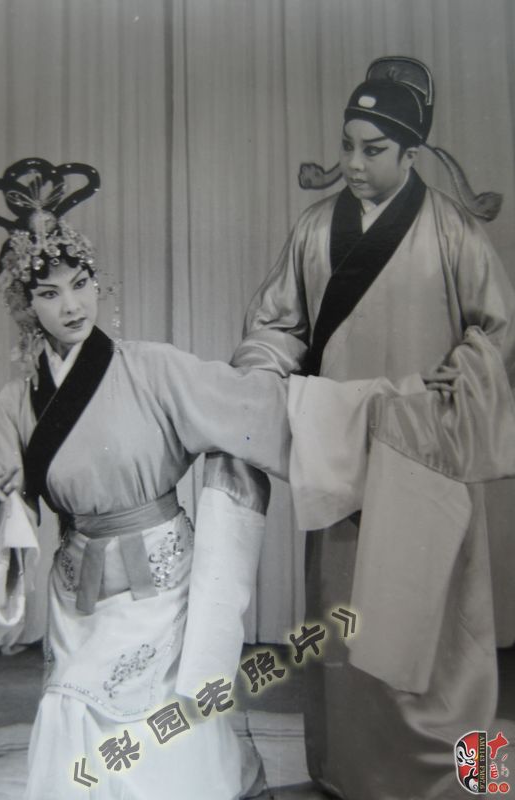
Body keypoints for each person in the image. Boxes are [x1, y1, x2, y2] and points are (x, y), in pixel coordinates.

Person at [205, 57, 515, 799]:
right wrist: (260, 372)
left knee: (444, 642)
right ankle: (350, 777)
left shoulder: (452, 231)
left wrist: (463, 370)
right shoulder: (316, 229)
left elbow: (495, 329)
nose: (352, 163)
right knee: (349, 629)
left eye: (372, 149)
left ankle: (472, 783)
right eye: (346, 145)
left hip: (426, 457)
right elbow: (276, 324)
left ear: (410, 153)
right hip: (341, 456)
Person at [0, 158, 293, 800]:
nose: (72, 304)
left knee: (166, 717)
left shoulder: (153, 370)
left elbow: (250, 408)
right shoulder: (13, 407)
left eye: (80, 283)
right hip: (80, 586)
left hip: (162, 577)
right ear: (26, 306)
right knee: (75, 705)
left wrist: (335, 403)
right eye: (49, 293)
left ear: (97, 282)